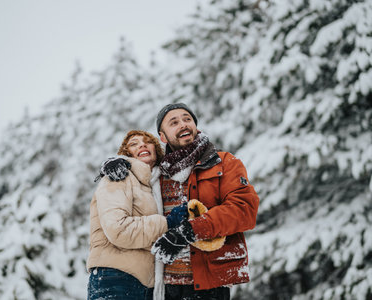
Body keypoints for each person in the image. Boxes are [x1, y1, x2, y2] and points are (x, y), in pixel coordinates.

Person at [103, 103, 260, 300]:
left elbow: (244, 209)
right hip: (164, 287)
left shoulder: (223, 162)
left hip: (210, 284)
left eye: (187, 119)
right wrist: (115, 163)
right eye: (174, 122)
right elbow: (134, 169)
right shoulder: (156, 172)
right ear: (162, 136)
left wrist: (189, 231)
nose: (183, 125)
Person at [87, 130, 188, 300]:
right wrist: (167, 223)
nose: (142, 144)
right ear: (127, 154)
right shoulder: (119, 175)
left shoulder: (152, 184)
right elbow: (118, 229)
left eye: (148, 141)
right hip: (115, 277)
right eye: (134, 144)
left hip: (142, 283)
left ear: (157, 152)